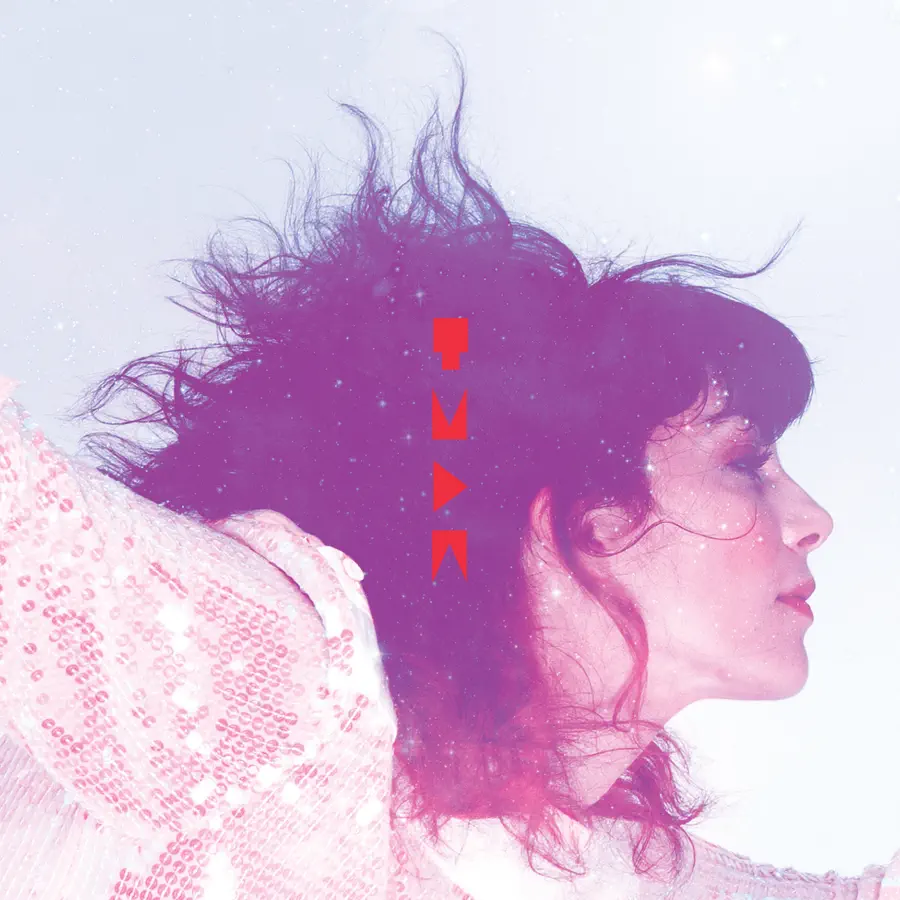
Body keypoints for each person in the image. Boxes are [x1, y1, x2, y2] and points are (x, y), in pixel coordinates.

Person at [1, 64, 898, 899]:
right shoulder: (281, 682)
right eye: (745, 463)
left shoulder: (599, 866)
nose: (813, 518)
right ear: (584, 517)